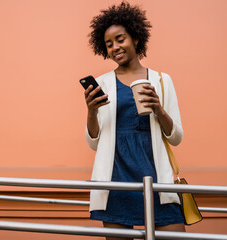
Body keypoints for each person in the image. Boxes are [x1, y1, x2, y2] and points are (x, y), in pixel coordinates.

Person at [83, 2, 185, 239]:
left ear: (136, 38)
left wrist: (158, 109)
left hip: (156, 178)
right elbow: (94, 143)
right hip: (116, 180)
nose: (115, 47)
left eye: (120, 39)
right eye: (109, 44)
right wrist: (90, 111)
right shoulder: (102, 83)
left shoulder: (162, 80)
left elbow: (177, 137)